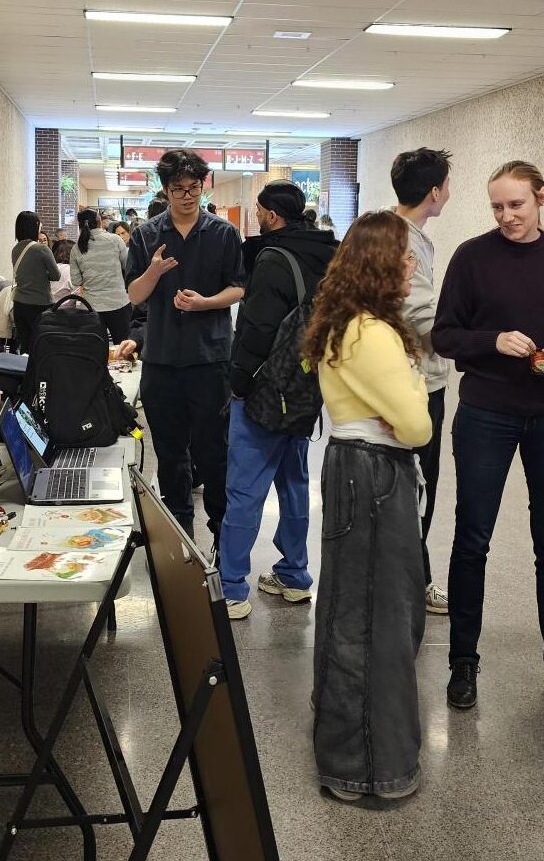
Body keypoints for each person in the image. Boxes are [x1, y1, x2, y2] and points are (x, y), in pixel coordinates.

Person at [304, 211, 432, 802]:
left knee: (353, 611)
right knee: (380, 619)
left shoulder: (348, 323)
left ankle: (350, 760)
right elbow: (417, 427)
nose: (412, 265)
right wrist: (407, 407)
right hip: (375, 476)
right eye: (404, 256)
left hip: (354, 470)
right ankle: (367, 767)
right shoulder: (371, 332)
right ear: (380, 262)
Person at [433, 160, 544, 710]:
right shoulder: (473, 257)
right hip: (486, 412)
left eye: (516, 205)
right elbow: (444, 335)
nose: (506, 216)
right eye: (497, 207)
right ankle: (463, 661)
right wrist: (492, 342)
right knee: (473, 537)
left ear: (540, 198)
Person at [219, 182, 336, 620]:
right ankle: (294, 575)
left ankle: (231, 586)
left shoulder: (272, 259)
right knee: (294, 483)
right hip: (305, 388)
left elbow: (256, 331)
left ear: (271, 215)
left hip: (266, 392)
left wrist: (239, 383)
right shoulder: (328, 254)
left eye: (259, 209)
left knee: (245, 489)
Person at [126, 150, 245, 545]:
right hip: (161, 361)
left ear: (202, 186)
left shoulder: (223, 233)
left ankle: (221, 537)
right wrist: (154, 271)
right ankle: (180, 538)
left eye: (194, 188)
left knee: (214, 452)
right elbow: (135, 295)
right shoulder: (147, 235)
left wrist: (206, 303)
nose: (187, 196)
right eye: (179, 189)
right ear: (165, 189)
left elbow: (239, 287)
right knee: (171, 454)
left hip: (210, 359)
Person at [391, 147, 452, 614]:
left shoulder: (388, 229)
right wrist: (472, 338)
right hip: (417, 383)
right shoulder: (405, 240)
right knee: (417, 484)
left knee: (408, 484)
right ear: (434, 192)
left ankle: (410, 575)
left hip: (397, 379)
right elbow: (422, 317)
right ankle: (415, 580)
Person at [70, 209, 131, 343]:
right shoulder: (115, 240)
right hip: (118, 303)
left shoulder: (76, 248)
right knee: (123, 347)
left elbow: (76, 281)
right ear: (99, 222)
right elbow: (128, 266)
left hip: (91, 307)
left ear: (80, 225)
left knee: (95, 349)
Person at [11, 212, 60, 355]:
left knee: (26, 346)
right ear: (35, 227)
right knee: (43, 345)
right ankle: (42, 376)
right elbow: (56, 275)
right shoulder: (42, 249)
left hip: (19, 304)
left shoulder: (16, 249)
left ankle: (27, 375)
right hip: (40, 304)